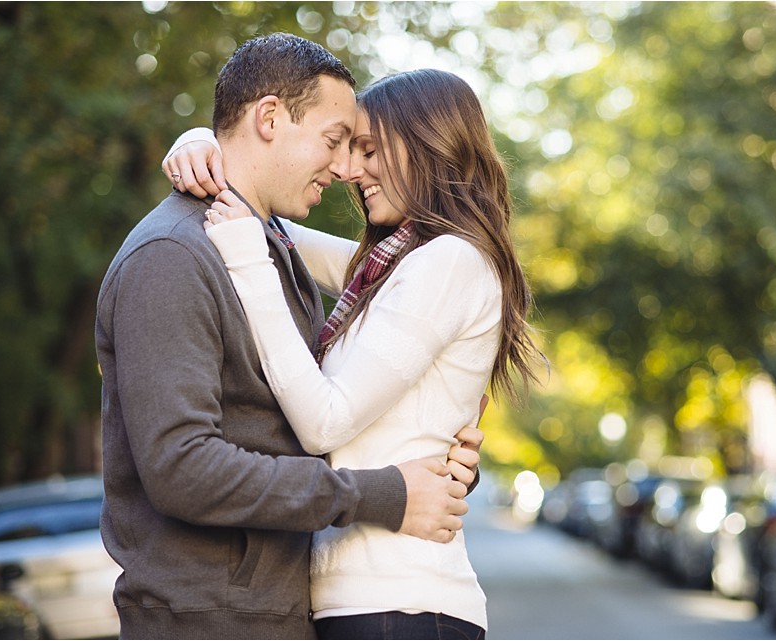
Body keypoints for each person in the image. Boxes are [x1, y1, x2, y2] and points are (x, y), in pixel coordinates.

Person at [96, 34, 483, 640]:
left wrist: (435, 443)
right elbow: (180, 467)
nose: (344, 168)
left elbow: (311, 416)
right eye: (335, 141)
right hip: (206, 618)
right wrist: (379, 493)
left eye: (360, 149)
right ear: (270, 118)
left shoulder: (265, 250)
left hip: (271, 612)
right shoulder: (175, 256)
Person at [162, 68, 546, 639]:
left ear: (428, 146)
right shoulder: (396, 268)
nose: (349, 170)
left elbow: (326, 422)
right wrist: (206, 145)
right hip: (367, 603)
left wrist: (245, 259)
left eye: (368, 150)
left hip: (402, 603)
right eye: (344, 149)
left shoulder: (450, 263)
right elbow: (271, 224)